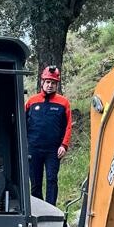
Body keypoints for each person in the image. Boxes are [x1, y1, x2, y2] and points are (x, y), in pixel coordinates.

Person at [25, 65, 72, 205]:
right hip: (33, 149)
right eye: (47, 82)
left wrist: (64, 145)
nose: (50, 85)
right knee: (35, 182)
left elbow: (68, 126)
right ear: (42, 82)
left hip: (53, 150)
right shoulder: (31, 102)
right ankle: (38, 210)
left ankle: (51, 210)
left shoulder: (63, 103)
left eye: (53, 83)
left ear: (57, 84)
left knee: (52, 179)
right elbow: (22, 123)